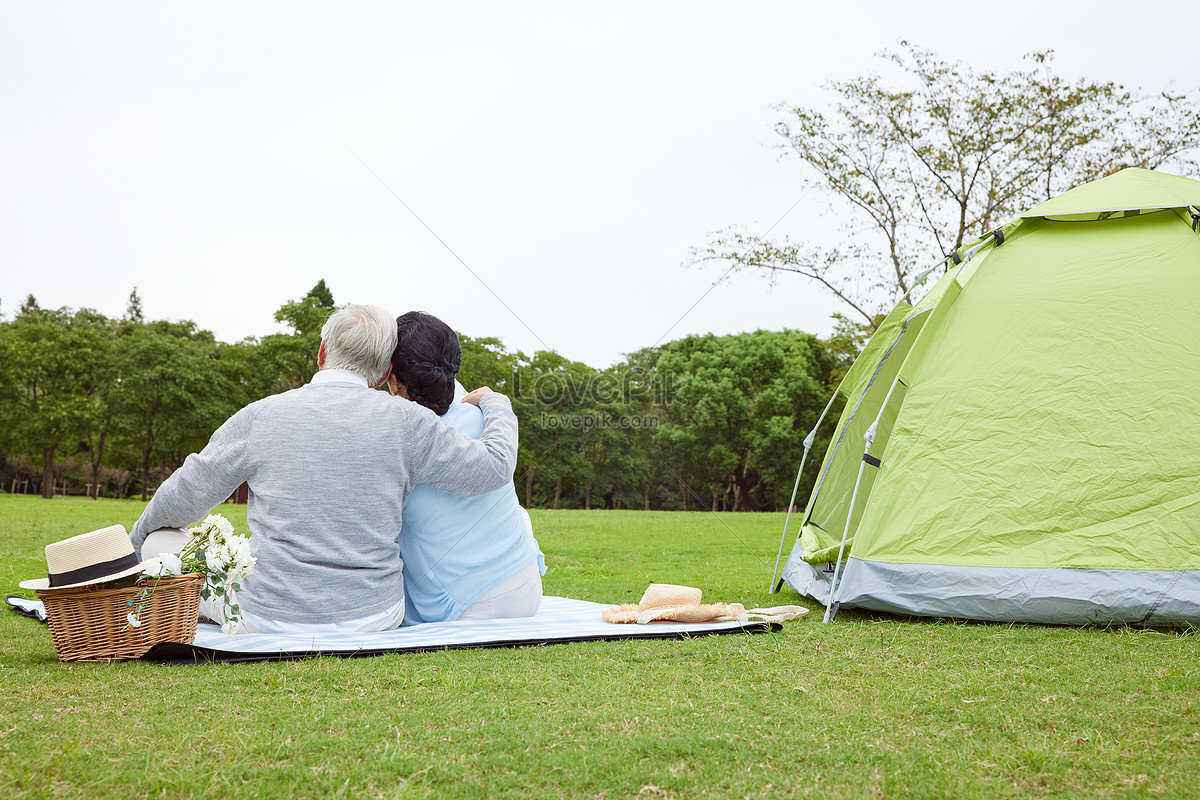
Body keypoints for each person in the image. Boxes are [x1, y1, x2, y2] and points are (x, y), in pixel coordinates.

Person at [129, 304, 519, 634]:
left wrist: (133, 548)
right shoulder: (408, 420)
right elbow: (494, 467)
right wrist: (495, 401)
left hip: (267, 614)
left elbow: (182, 497)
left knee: (157, 544)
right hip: (376, 616)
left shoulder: (261, 415)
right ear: (384, 374)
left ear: (321, 353)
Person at [388, 311, 545, 624]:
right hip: (528, 589)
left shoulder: (398, 442)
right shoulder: (484, 415)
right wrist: (495, 399)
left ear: (393, 379)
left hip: (465, 609)